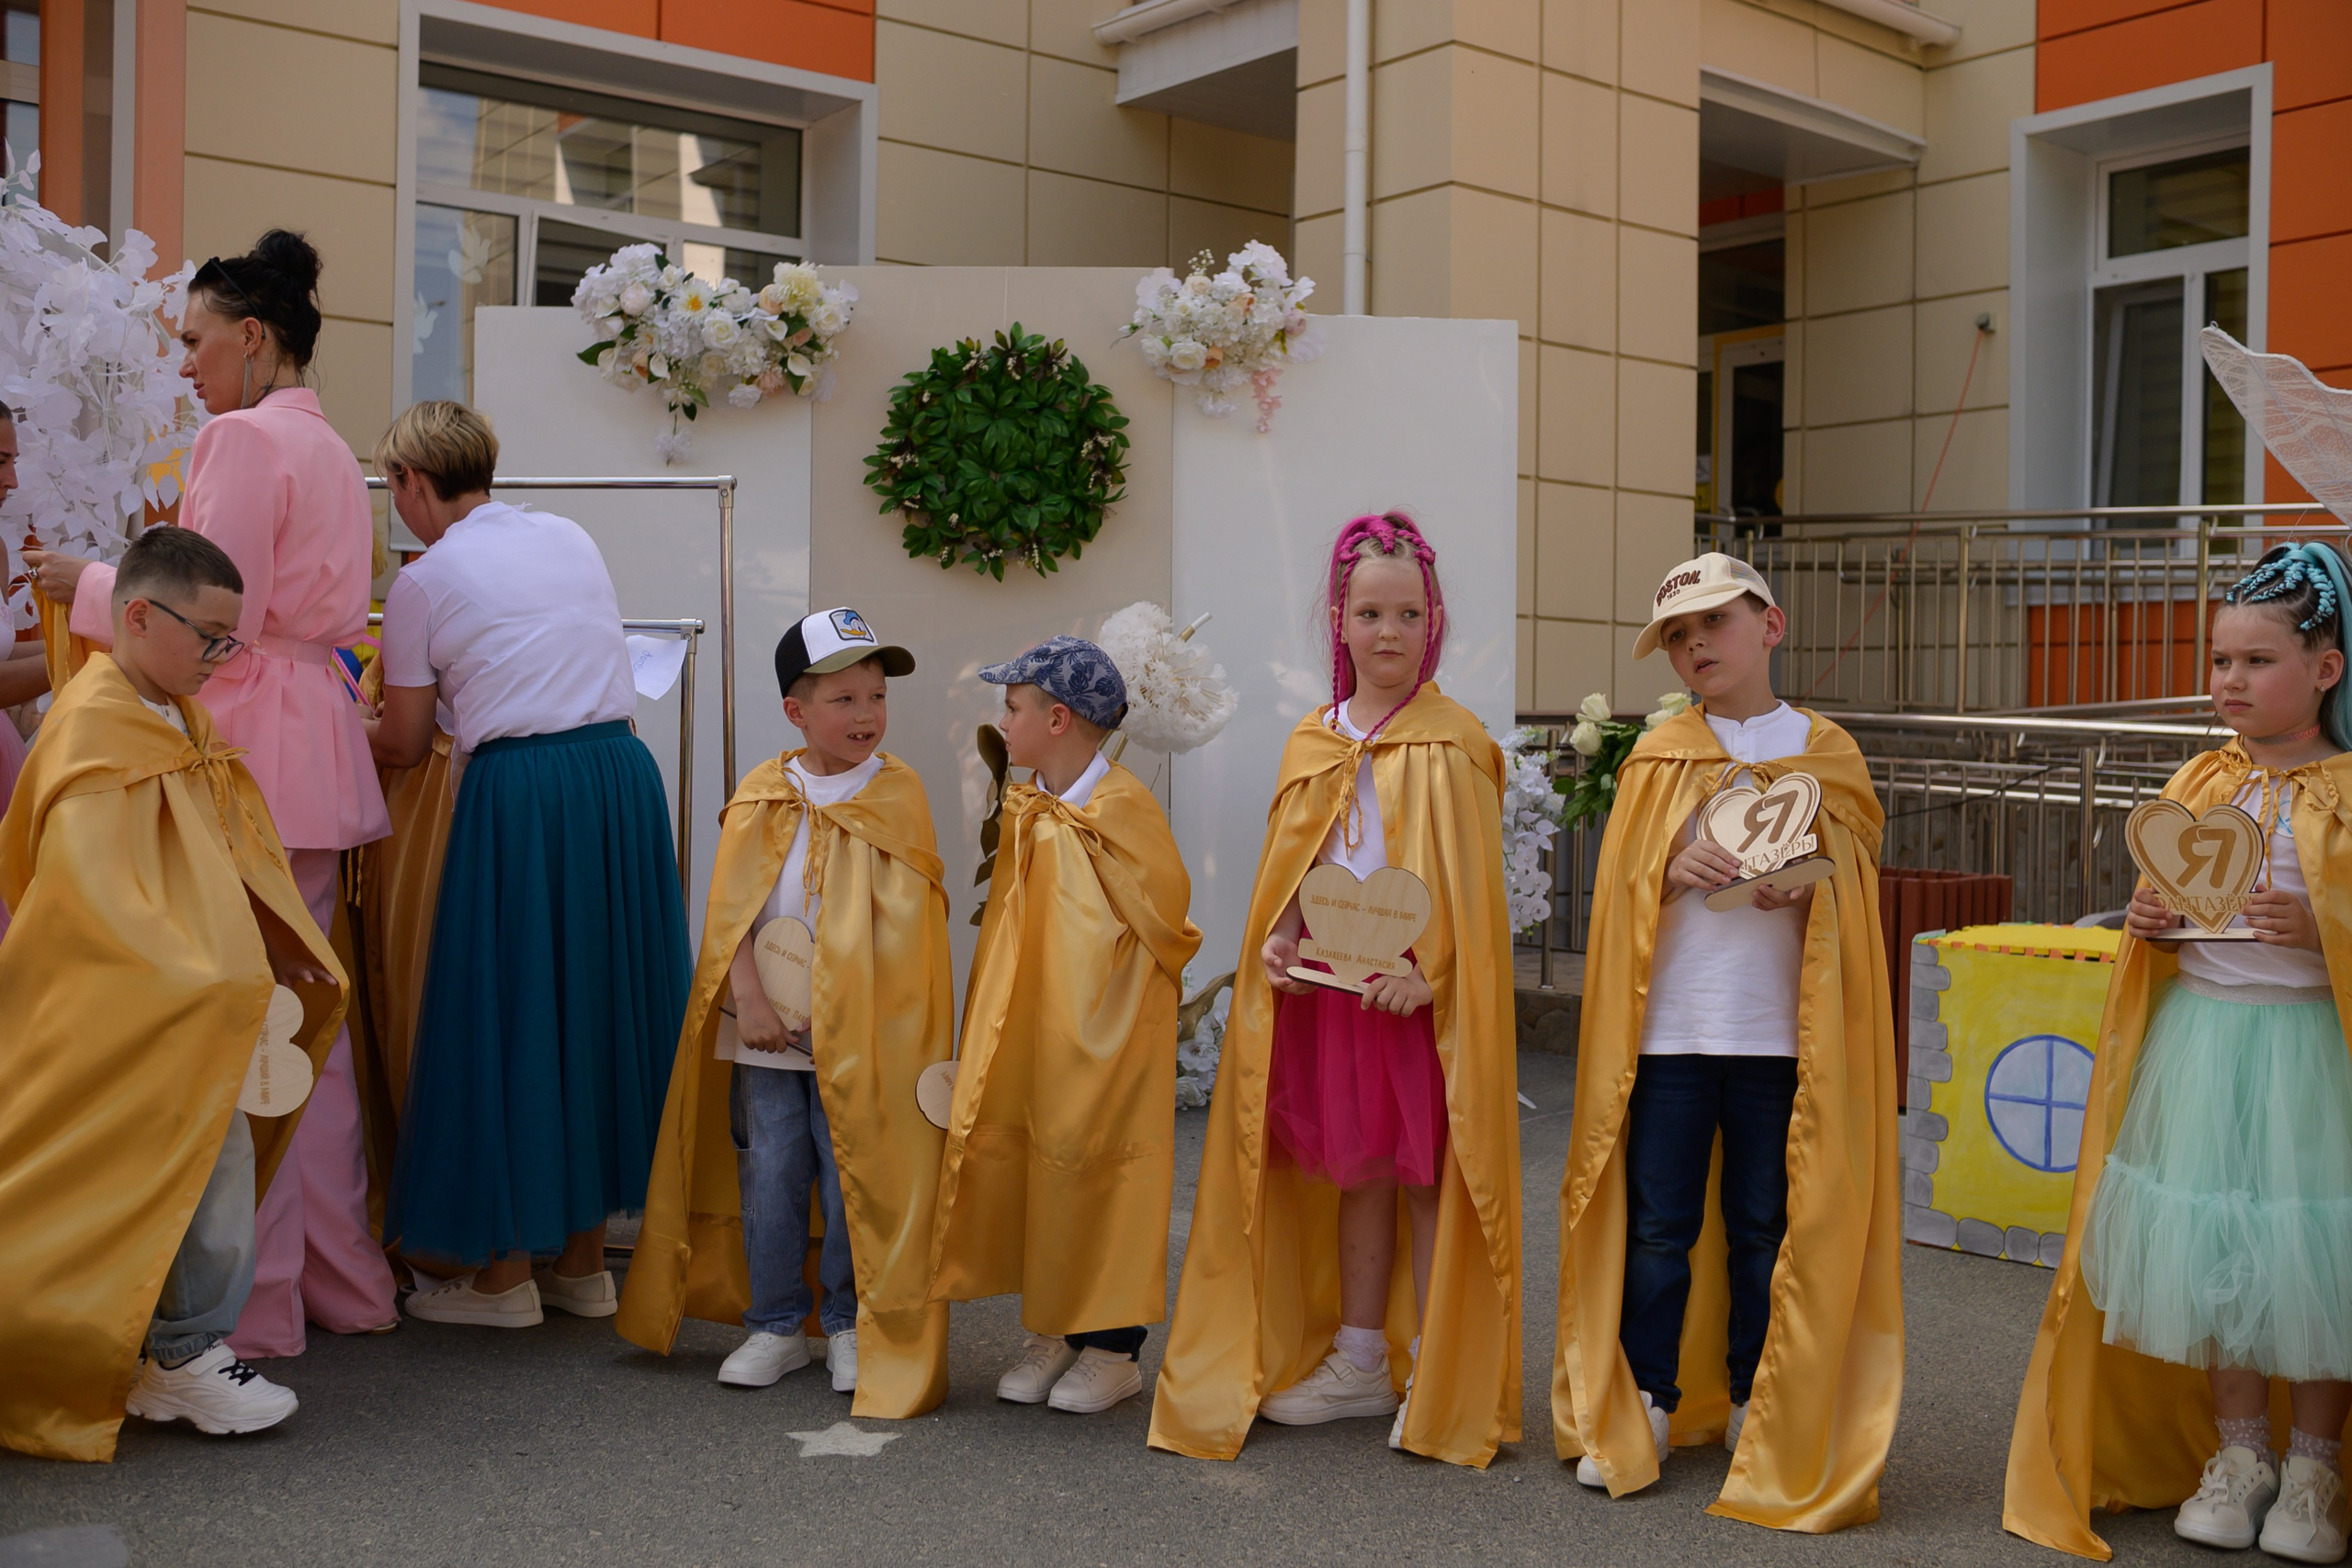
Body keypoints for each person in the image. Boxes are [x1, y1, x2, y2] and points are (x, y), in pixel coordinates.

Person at [25, 231, 396, 1358]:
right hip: (316, 743)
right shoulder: (329, 444)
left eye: (193, 341)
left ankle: (257, 1304)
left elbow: (206, 614)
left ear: (251, 336)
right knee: (306, 1029)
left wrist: (83, 583)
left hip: (246, 750)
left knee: (245, 1031)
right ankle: (341, 1280)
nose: (183, 365)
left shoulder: (240, 435)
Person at [1149, 512, 1521, 1466]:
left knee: (1433, 1178)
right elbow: (1294, 863)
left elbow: (1469, 894)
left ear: (1431, 621)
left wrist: (1427, 969)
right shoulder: (1313, 741)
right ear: (1339, 620)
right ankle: (1359, 1359)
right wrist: (1275, 940)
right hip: (1333, 1003)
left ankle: (1437, 1370)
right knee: (1357, 1172)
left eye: (1406, 613)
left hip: (1413, 1009)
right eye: (1368, 613)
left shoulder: (1455, 743)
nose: (1387, 632)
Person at [2007, 542, 2352, 1562]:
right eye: (2219, 662)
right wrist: (2151, 922)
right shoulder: (2204, 777)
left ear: (2325, 668)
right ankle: (2238, 1456)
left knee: (2316, 1258)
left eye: (2256, 662)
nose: (2229, 683)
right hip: (2203, 1045)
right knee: (2219, 1259)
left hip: (2311, 1059)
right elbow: (2169, 905)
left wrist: (2326, 933)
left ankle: (2314, 1472)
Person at [1553, 552, 1900, 1529]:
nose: (1696, 644)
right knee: (1658, 1230)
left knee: (1764, 1231)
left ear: (1770, 627)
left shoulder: (1825, 751)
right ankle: (1648, 1403)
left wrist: (1817, 877)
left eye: (1714, 623)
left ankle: (1761, 1401)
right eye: (1677, 633)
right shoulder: (1661, 758)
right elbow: (1622, 886)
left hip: (1779, 1040)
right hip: (1668, 1034)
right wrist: (1665, 865)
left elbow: (1860, 875)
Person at [0, 528, 343, 1460]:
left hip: (183, 1001)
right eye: (210, 637)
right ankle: (183, 1352)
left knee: (198, 1163)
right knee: (184, 1162)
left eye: (232, 640)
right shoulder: (94, 731)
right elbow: (89, 900)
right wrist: (207, 983)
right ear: (139, 617)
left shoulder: (173, 719)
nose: (222, 658)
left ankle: (172, 1350)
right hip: (126, 1011)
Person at [367, 400, 690, 1326]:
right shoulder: (567, 534)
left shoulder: (426, 580)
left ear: (410, 483)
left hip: (521, 790)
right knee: (594, 1005)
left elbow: (403, 741)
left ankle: (502, 1275)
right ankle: (583, 1264)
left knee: (507, 1010)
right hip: (619, 775)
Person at [617, 607, 955, 1417]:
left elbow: (912, 934)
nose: (866, 714)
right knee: (771, 1171)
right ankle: (774, 1323)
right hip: (768, 1028)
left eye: (876, 695)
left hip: (864, 1034)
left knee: (852, 1177)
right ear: (794, 711)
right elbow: (731, 912)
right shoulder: (763, 793)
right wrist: (749, 1000)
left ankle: (844, 1319)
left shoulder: (897, 794)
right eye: (842, 698)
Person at [930, 635, 1200, 1415]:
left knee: (1104, 1167)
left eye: (1012, 707)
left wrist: (1107, 1014)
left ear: (1057, 718)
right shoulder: (1034, 807)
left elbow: (1162, 920)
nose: (1001, 721)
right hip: (1037, 1023)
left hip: (1105, 1030)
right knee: (1042, 1160)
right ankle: (1056, 1325)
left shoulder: (1121, 810)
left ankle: (1114, 1347)